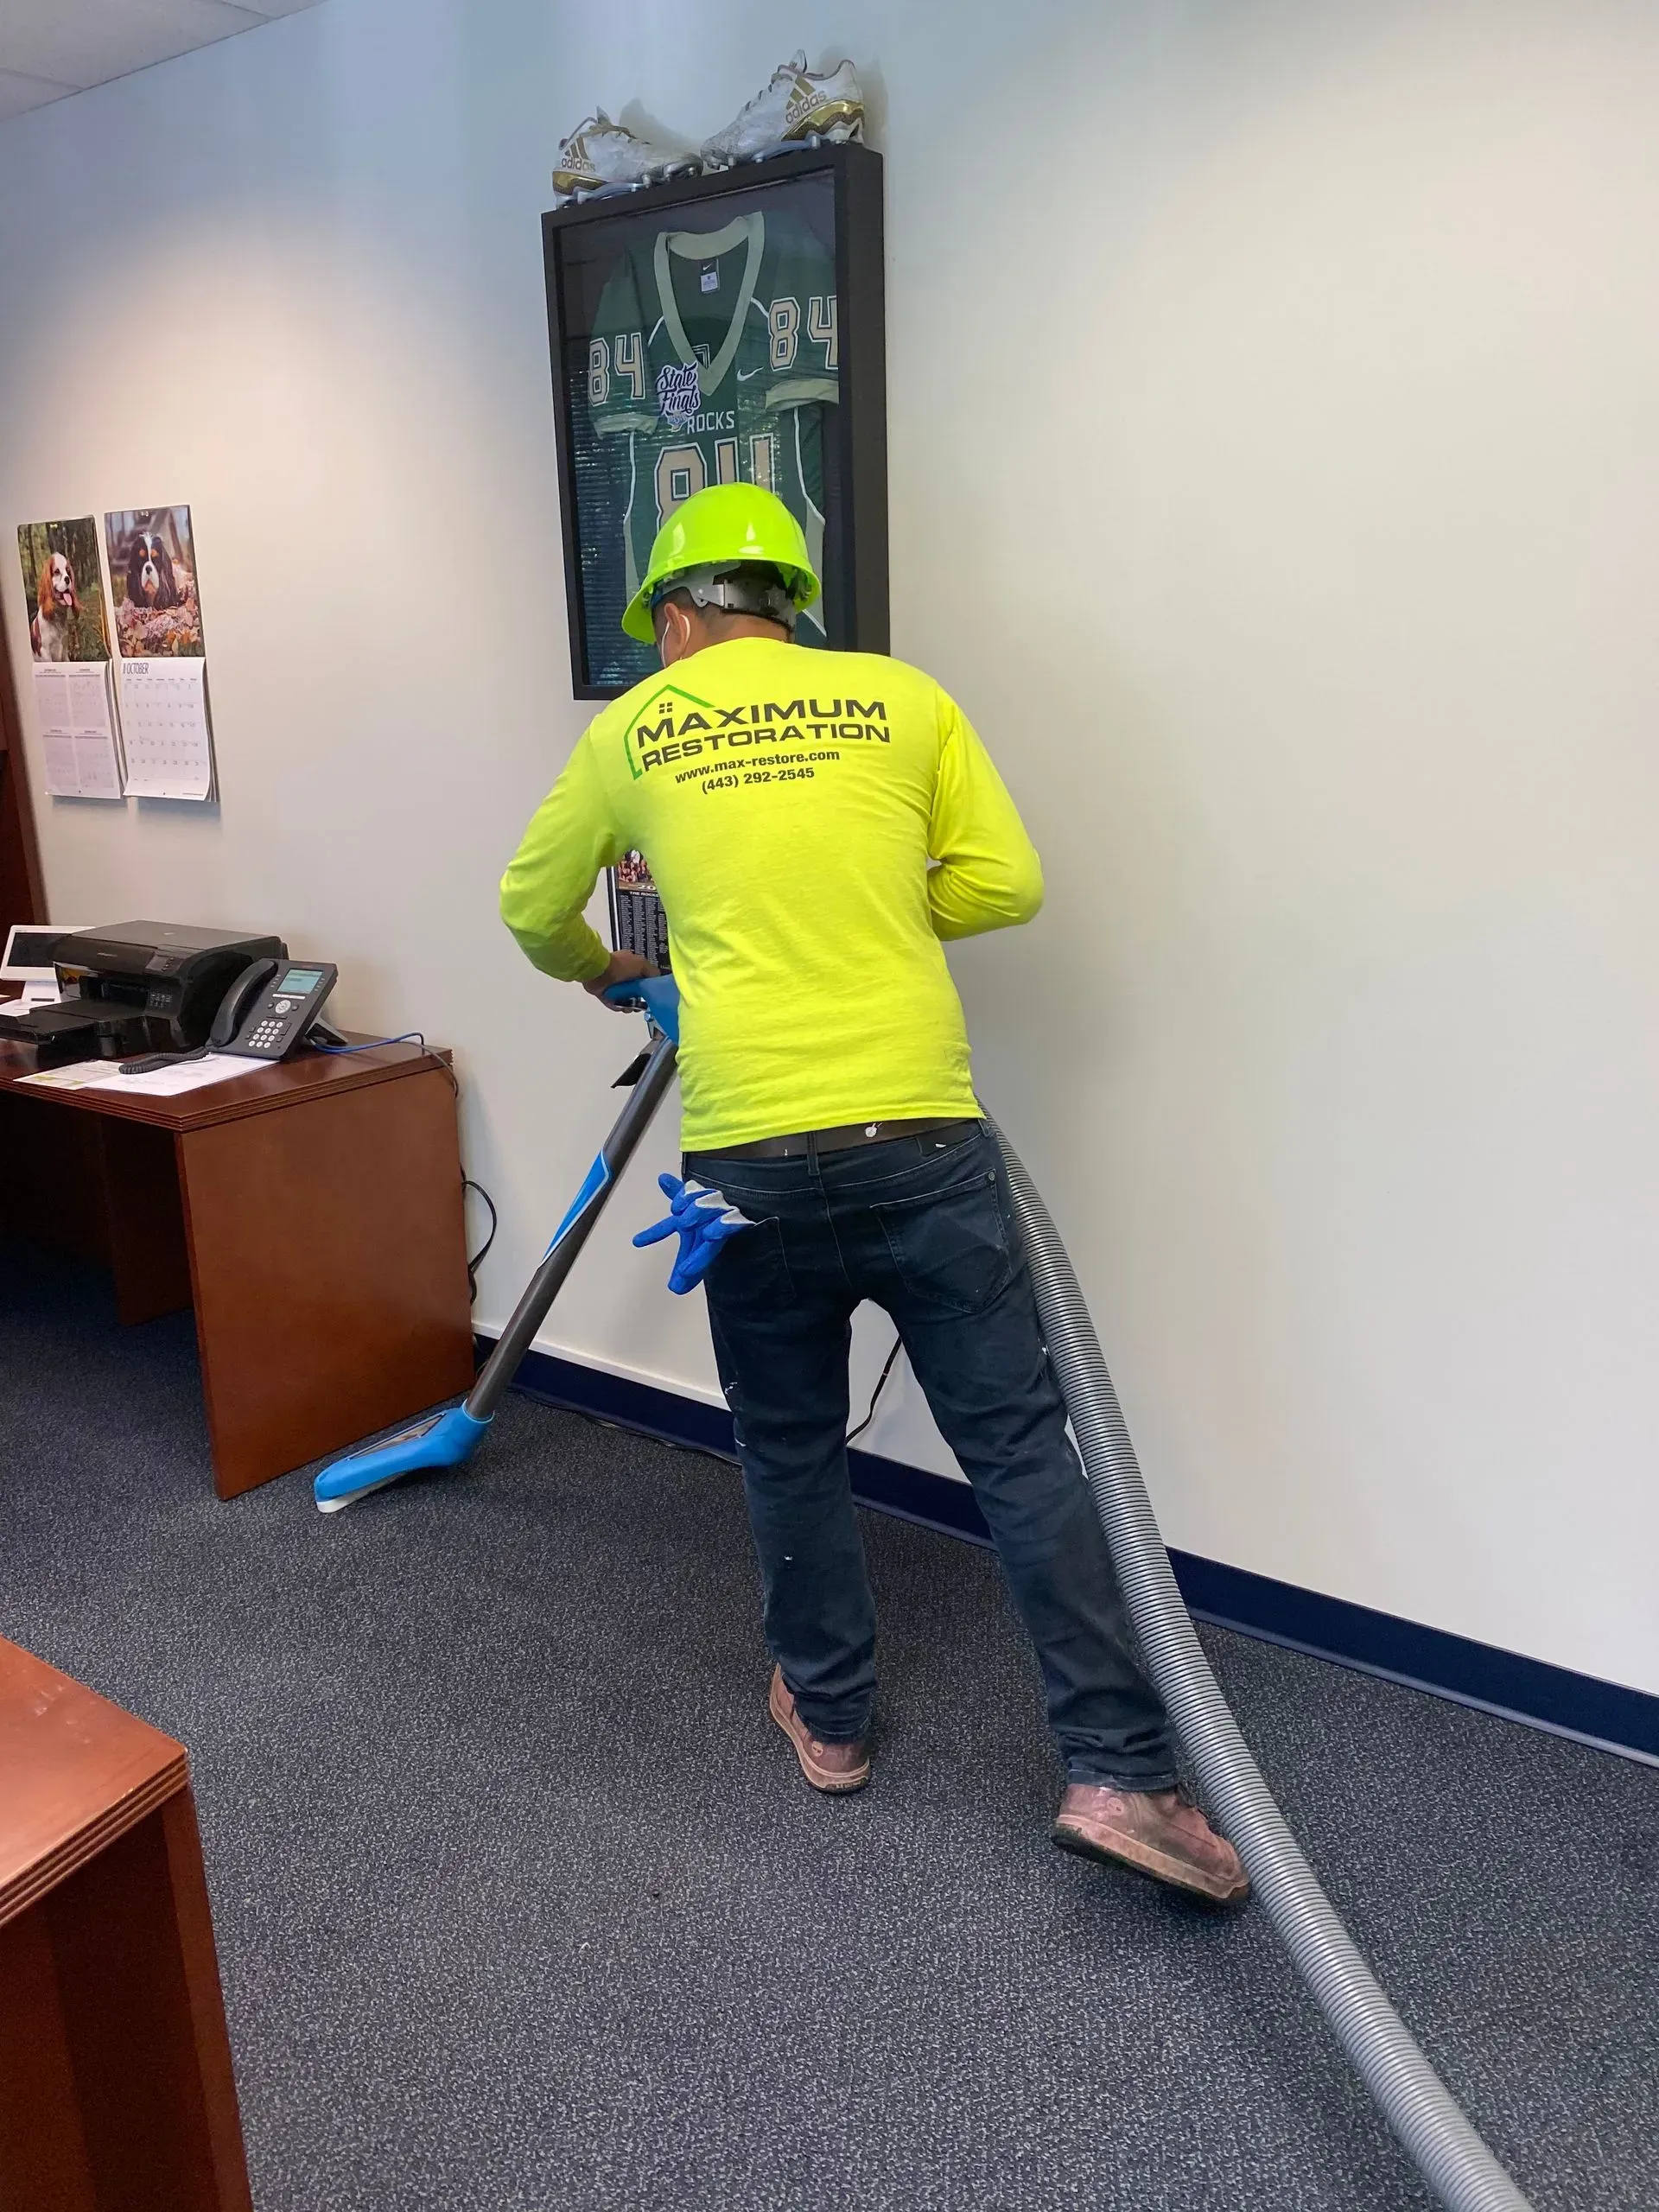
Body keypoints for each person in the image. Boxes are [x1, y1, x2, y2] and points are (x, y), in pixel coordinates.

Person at [500, 484, 1247, 1905]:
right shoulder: (901, 698)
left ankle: (831, 1724)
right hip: (922, 1138)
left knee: (789, 1442)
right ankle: (1123, 1774)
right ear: (791, 605)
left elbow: (529, 908)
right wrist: (882, 915)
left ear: (673, 618)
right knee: (1023, 1450)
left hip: (745, 1161)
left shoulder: (630, 730)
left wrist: (617, 973)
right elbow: (1007, 886)